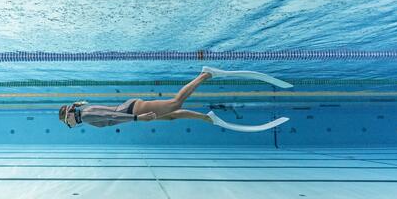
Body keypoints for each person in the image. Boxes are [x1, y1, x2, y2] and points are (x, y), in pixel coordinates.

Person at [59, 67, 293, 132]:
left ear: (70, 114)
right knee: (172, 117)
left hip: (132, 109)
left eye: (65, 122)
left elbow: (109, 116)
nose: (68, 125)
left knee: (176, 103)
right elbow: (110, 117)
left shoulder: (86, 114)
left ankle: (206, 74)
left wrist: (137, 119)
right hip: (130, 111)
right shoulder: (85, 112)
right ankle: (207, 118)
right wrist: (134, 119)